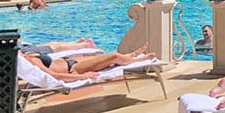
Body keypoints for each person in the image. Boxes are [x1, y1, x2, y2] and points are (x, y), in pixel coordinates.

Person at [19, 44, 154, 80]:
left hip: (69, 61)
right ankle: (137, 59)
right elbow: (55, 76)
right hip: (73, 68)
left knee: (103, 57)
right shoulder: (31, 60)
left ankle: (129, 56)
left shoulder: (27, 55)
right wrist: (83, 76)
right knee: (114, 56)